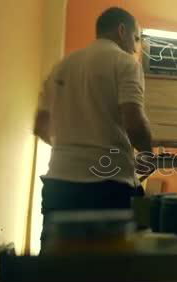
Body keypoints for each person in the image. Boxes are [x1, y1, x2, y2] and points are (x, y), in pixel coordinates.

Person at [33, 7, 154, 247]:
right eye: (137, 38)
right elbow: (134, 121)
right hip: (107, 186)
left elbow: (40, 126)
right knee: (109, 269)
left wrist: (71, 146)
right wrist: (148, 153)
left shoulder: (63, 65)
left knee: (57, 269)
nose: (137, 46)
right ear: (122, 31)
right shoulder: (125, 63)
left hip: (59, 184)